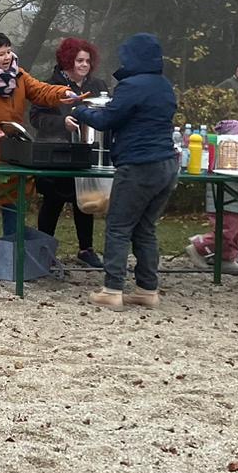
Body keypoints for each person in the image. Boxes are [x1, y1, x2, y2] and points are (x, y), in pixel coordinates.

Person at [0, 33, 80, 268]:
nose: (7, 57)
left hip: (14, 153)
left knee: (13, 203)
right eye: (1, 54)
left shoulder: (19, 77)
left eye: (9, 51)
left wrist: (62, 94)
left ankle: (12, 251)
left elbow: (40, 91)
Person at [69, 34, 178, 310]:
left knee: (118, 227)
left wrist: (80, 111)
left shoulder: (132, 85)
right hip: (167, 165)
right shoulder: (164, 85)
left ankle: (112, 289)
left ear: (133, 57)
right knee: (145, 229)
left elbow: (108, 119)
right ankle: (147, 289)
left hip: (139, 165)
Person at [29, 36, 110, 269]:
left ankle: (86, 249)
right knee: (52, 202)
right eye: (78, 60)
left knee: (84, 201)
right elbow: (36, 117)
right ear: (67, 61)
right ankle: (43, 249)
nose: (84, 65)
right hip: (56, 152)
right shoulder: (49, 85)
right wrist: (61, 122)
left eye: (87, 61)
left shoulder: (98, 87)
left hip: (87, 152)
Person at [183, 119, 238, 271]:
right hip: (226, 202)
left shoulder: (233, 156)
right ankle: (199, 246)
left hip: (234, 202)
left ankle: (226, 259)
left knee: (236, 233)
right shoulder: (227, 158)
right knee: (226, 233)